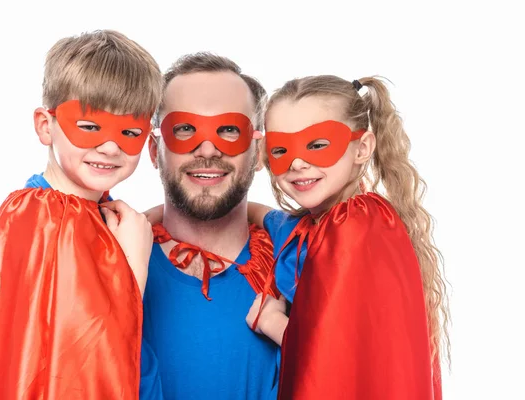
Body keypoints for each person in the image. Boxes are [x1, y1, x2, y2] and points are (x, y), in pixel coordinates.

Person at [0, 30, 162, 400]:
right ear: (47, 126)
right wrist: (131, 269)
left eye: (129, 131)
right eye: (90, 126)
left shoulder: (102, 216)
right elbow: (83, 358)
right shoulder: (39, 217)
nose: (109, 146)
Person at [247, 75, 450, 399]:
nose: (298, 162)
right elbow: (259, 214)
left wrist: (270, 321)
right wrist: (154, 218)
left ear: (362, 148)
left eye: (317, 144)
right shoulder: (306, 228)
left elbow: (336, 357)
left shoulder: (357, 226)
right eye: (282, 149)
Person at [142, 52, 280, 400]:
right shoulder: (108, 267)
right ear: (154, 147)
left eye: (229, 130)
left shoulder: (299, 267)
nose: (208, 149)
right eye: (185, 129)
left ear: (258, 152)